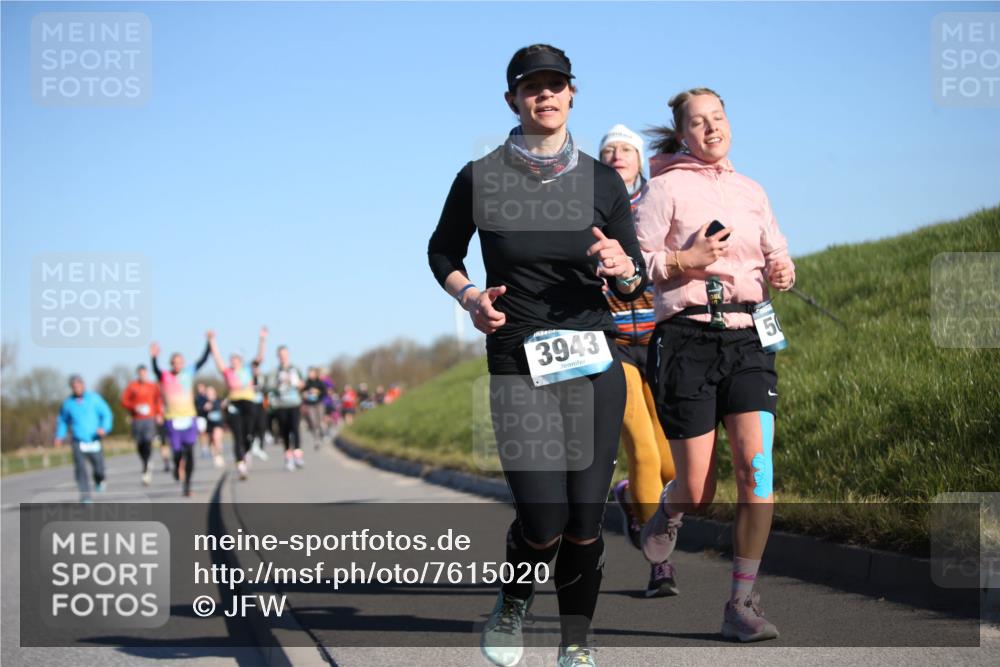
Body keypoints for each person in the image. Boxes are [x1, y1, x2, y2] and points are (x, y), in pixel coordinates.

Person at [427, 44, 647, 667]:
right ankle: (514, 603)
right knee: (543, 518)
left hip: (593, 361)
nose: (544, 96)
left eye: (556, 85)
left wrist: (623, 270)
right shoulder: (480, 176)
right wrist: (470, 297)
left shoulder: (604, 183)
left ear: (573, 94)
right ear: (512, 100)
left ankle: (575, 642)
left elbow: (634, 288)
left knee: (584, 520)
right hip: (518, 362)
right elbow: (442, 251)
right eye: (532, 88)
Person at [635, 87, 795, 642]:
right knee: (698, 490)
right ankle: (670, 509)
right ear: (682, 133)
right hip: (687, 339)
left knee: (758, 473)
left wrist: (781, 269)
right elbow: (636, 268)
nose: (711, 129)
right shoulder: (663, 189)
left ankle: (740, 604)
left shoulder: (752, 191)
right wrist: (687, 259)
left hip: (749, 338)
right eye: (698, 122)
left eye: (718, 118)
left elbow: (775, 249)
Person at [598, 124, 678, 597]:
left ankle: (630, 496)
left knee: (671, 465)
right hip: (612, 343)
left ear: (639, 158)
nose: (615, 155)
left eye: (624, 148)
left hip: (660, 337)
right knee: (642, 452)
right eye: (607, 149)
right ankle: (660, 564)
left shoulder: (656, 203)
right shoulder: (591, 210)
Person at [150, 335, 212, 497]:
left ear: (183, 363)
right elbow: (156, 369)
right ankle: (177, 466)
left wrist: (209, 343)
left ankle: (187, 486)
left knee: (190, 453)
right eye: (175, 362)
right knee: (177, 453)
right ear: (171, 364)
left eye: (180, 362)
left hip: (189, 418)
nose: (178, 365)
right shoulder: (165, 376)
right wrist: (154, 356)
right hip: (172, 419)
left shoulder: (189, 372)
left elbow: (203, 360)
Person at [208, 327, 267, 480]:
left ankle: (246, 452)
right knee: (237, 435)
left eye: (236, 358)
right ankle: (240, 464)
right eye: (231, 358)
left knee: (249, 434)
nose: (233, 361)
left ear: (241, 360)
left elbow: (260, 357)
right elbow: (217, 358)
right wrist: (212, 341)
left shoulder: (248, 368)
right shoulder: (227, 372)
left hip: (249, 403)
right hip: (234, 405)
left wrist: (262, 339)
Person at [54, 375, 113, 503]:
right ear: (71, 388)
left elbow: (107, 414)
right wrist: (59, 436)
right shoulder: (68, 403)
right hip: (78, 440)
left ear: (83, 385)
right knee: (80, 468)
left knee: (99, 468)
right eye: (74, 386)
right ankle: (85, 495)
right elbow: (63, 421)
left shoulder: (94, 399)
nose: (77, 388)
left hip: (94, 438)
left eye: (79, 385)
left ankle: (99, 479)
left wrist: (104, 428)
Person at [120, 364, 164, 486]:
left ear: (147, 373)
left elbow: (158, 401)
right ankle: (145, 462)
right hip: (137, 419)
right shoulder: (132, 386)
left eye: (144, 373)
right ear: (138, 374)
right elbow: (124, 401)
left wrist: (159, 414)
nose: (143, 375)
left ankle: (147, 464)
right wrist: (134, 407)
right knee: (140, 444)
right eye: (140, 373)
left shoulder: (153, 386)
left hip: (150, 418)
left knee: (148, 441)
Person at [265, 344, 305, 470]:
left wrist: (295, 382)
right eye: (281, 355)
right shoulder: (274, 371)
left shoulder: (296, 369)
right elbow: (268, 387)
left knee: (295, 428)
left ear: (288, 355)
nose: (283, 357)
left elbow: (303, 384)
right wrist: (279, 382)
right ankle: (288, 456)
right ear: (278, 356)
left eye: (285, 354)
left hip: (294, 403)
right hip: (281, 405)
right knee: (285, 431)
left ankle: (298, 454)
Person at [302, 367, 327, 449]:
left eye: (311, 373)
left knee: (320, 421)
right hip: (310, 405)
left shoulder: (319, 382)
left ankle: (322, 432)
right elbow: (302, 392)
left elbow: (324, 392)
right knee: (313, 422)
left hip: (319, 403)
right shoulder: (306, 383)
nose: (310, 374)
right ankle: (316, 439)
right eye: (309, 373)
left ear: (315, 373)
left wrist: (317, 392)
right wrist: (305, 394)